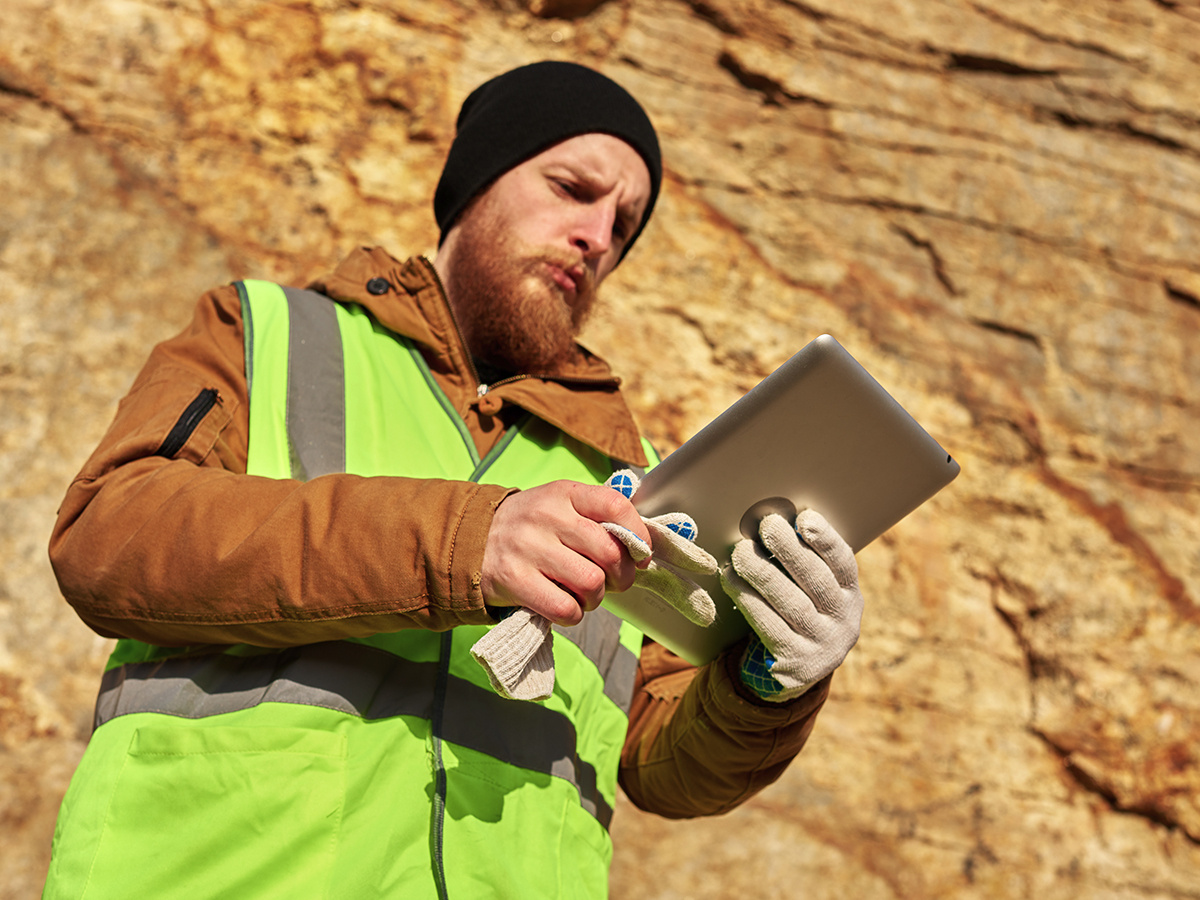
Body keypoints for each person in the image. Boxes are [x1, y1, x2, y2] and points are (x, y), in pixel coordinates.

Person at [43, 61, 863, 899]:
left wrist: (769, 686)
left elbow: (663, 764)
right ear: (477, 183)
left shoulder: (635, 476)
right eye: (573, 187)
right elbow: (108, 534)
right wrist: (469, 543)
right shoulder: (264, 330)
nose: (597, 235)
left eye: (623, 224)